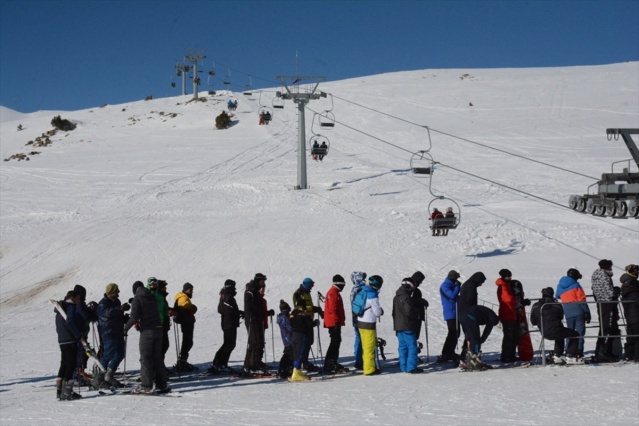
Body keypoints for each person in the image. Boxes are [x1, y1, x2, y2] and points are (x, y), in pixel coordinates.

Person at [124, 281, 170, 394]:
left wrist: (125, 329)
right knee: (157, 358)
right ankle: (162, 384)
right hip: (159, 329)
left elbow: (134, 316)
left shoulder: (137, 299)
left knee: (145, 358)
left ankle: (146, 385)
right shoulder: (153, 296)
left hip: (147, 331)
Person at [531, 287, 581, 364]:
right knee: (575, 334)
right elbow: (561, 316)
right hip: (556, 330)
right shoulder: (556, 305)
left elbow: (533, 321)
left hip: (544, 332)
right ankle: (571, 355)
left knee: (560, 333)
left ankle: (558, 354)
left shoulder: (536, 305)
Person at [93, 283, 130, 388]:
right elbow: (107, 313)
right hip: (108, 333)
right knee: (108, 354)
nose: (118, 293)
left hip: (118, 332)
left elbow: (117, 315)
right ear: (110, 292)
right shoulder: (103, 303)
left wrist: (124, 319)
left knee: (120, 354)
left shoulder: (116, 302)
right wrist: (120, 309)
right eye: (116, 291)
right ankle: (98, 378)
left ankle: (109, 375)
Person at [54, 290, 83, 400]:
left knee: (64, 364)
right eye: (78, 298)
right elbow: (70, 321)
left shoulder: (60, 308)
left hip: (62, 339)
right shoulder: (70, 307)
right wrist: (78, 334)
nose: (79, 301)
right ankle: (67, 391)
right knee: (71, 365)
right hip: (70, 339)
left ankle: (59, 391)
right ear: (73, 297)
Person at [556, 268, 591, 358]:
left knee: (569, 332)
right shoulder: (576, 285)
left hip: (567, 311)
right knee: (579, 333)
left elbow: (557, 295)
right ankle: (578, 351)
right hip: (578, 311)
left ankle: (568, 350)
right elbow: (581, 300)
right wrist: (587, 312)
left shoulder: (560, 285)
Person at [591, 259, 620, 362]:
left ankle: (601, 351)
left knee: (604, 327)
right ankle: (604, 352)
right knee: (608, 327)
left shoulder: (596, 275)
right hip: (607, 303)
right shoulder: (604, 276)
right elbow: (609, 292)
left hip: (601, 303)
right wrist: (616, 290)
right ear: (608, 266)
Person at [392, 278, 423, 373]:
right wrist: (417, 315)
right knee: (412, 346)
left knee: (402, 347)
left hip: (398, 326)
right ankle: (411, 367)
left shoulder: (396, 297)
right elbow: (408, 311)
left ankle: (404, 366)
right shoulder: (406, 297)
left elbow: (394, 312)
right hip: (407, 325)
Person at [210, 279, 242, 374]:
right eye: (234, 286)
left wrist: (239, 313)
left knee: (228, 343)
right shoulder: (227, 296)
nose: (235, 288)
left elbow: (225, 309)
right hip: (229, 323)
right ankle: (220, 363)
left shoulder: (225, 295)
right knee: (229, 344)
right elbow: (226, 310)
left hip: (228, 323)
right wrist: (237, 313)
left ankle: (220, 363)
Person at [292, 277, 323, 372]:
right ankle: (300, 363)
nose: (311, 287)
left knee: (309, 342)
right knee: (303, 343)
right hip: (303, 322)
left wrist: (316, 309)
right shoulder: (298, 293)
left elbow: (307, 306)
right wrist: (313, 308)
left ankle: (305, 361)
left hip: (309, 321)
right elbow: (299, 306)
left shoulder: (307, 293)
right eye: (311, 285)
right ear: (306, 284)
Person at [358, 275, 384, 376]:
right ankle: (369, 369)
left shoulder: (362, 291)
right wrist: (381, 311)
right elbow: (377, 312)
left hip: (360, 322)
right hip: (368, 323)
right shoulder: (373, 295)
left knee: (365, 346)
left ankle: (368, 366)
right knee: (369, 347)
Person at [459, 304, 499, 371]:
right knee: (476, 339)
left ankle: (468, 359)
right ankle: (475, 359)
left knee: (469, 338)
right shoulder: (492, 317)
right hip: (470, 316)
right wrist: (482, 339)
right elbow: (487, 330)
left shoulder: (488, 313)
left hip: (463, 315)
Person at [243, 273, 268, 375]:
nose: (264, 283)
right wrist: (252, 314)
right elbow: (249, 305)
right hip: (252, 320)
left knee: (256, 343)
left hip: (256, 320)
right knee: (256, 343)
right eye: (262, 281)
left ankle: (250, 365)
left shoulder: (255, 291)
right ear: (258, 281)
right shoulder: (251, 291)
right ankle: (252, 366)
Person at [457, 272, 486, 359]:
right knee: (472, 335)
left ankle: (465, 355)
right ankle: (471, 355)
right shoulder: (471, 286)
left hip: (463, 313)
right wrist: (475, 311)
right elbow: (470, 300)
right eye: (481, 282)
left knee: (468, 335)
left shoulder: (467, 284)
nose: (481, 284)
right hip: (468, 314)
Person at [323, 275, 347, 373]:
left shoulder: (334, 292)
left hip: (334, 322)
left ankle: (332, 361)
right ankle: (330, 363)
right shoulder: (333, 293)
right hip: (333, 322)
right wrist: (336, 321)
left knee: (336, 341)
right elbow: (332, 309)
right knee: (334, 342)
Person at [438, 270, 462, 363]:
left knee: (456, 333)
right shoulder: (444, 286)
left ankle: (449, 352)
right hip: (450, 312)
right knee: (453, 332)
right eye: (456, 278)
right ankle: (446, 353)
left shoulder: (451, 285)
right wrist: (457, 287)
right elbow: (452, 296)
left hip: (455, 312)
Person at [496, 269, 519, 363]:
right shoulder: (503, 286)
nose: (510, 278)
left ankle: (511, 355)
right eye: (508, 276)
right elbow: (508, 299)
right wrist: (517, 300)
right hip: (507, 313)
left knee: (513, 336)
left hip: (510, 313)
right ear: (504, 277)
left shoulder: (506, 285)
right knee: (508, 336)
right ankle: (506, 356)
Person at [174, 282, 198, 372]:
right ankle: (182, 362)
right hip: (186, 323)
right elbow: (185, 306)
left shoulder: (183, 297)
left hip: (187, 322)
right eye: (190, 290)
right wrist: (192, 308)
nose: (191, 292)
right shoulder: (183, 297)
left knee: (188, 341)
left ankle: (182, 361)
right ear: (185, 290)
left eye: (192, 290)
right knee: (187, 342)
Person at [289, 301, 315, 381]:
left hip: (294, 335)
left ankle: (297, 370)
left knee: (296, 353)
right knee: (300, 352)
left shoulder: (292, 314)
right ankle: (296, 372)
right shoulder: (303, 314)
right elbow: (309, 323)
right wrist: (315, 323)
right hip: (301, 335)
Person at [620, 264, 639, 362]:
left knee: (631, 335)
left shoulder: (625, 283)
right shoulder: (633, 283)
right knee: (636, 335)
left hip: (629, 314)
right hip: (635, 313)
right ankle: (636, 356)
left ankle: (629, 354)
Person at [350, 271, 367, 370]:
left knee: (358, 338)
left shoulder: (354, 289)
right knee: (361, 339)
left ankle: (359, 359)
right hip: (361, 318)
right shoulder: (360, 289)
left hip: (356, 318)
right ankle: (360, 360)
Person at [409, 271, 429, 346]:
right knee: (412, 336)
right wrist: (421, 301)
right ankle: (411, 355)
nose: (420, 283)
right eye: (420, 281)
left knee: (415, 336)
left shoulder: (415, 290)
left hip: (417, 316)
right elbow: (410, 301)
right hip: (414, 317)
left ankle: (413, 354)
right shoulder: (410, 289)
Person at [277, 300, 294, 379]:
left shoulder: (282, 317)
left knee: (287, 353)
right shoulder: (285, 318)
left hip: (286, 339)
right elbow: (290, 328)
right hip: (288, 339)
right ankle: (285, 369)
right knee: (289, 354)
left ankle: (283, 369)